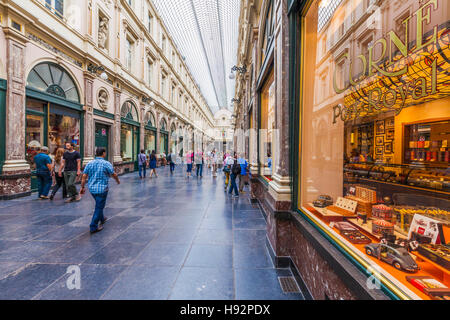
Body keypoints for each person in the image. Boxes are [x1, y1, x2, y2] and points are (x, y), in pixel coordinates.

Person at [80, 148, 120, 234]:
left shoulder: (89, 163)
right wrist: (117, 180)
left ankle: (102, 218)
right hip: (102, 189)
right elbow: (113, 174)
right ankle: (93, 226)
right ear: (103, 153)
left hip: (92, 189)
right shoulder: (106, 163)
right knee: (99, 206)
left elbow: (84, 177)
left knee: (99, 204)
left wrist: (82, 187)